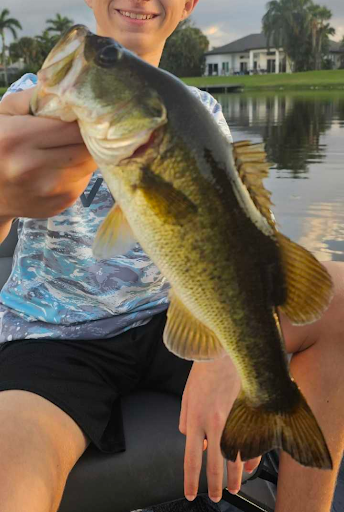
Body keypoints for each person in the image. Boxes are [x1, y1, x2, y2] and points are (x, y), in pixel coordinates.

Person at [0, 1, 343, 511]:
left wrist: (222, 356)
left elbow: (236, 244)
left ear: (187, 6)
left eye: (106, 61)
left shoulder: (201, 113)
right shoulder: (25, 104)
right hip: (54, 340)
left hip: (171, 320)